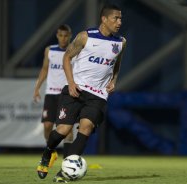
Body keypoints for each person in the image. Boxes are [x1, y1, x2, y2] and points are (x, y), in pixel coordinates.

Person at [37, 4, 126, 183]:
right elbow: (67, 57)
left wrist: (114, 80)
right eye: (116, 18)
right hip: (76, 90)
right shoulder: (85, 37)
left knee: (86, 127)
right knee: (62, 130)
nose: (119, 22)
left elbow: (116, 63)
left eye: (121, 18)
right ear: (104, 19)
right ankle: (48, 153)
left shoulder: (120, 42)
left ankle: (65, 173)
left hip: (98, 95)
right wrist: (70, 83)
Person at [33, 24, 73, 169]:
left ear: (70, 36)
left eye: (66, 35)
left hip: (67, 94)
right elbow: (44, 69)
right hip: (51, 93)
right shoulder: (50, 50)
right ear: (57, 35)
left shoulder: (74, 51)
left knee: (67, 128)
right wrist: (37, 88)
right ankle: (52, 151)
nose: (63, 38)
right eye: (61, 35)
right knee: (48, 125)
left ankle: (68, 161)